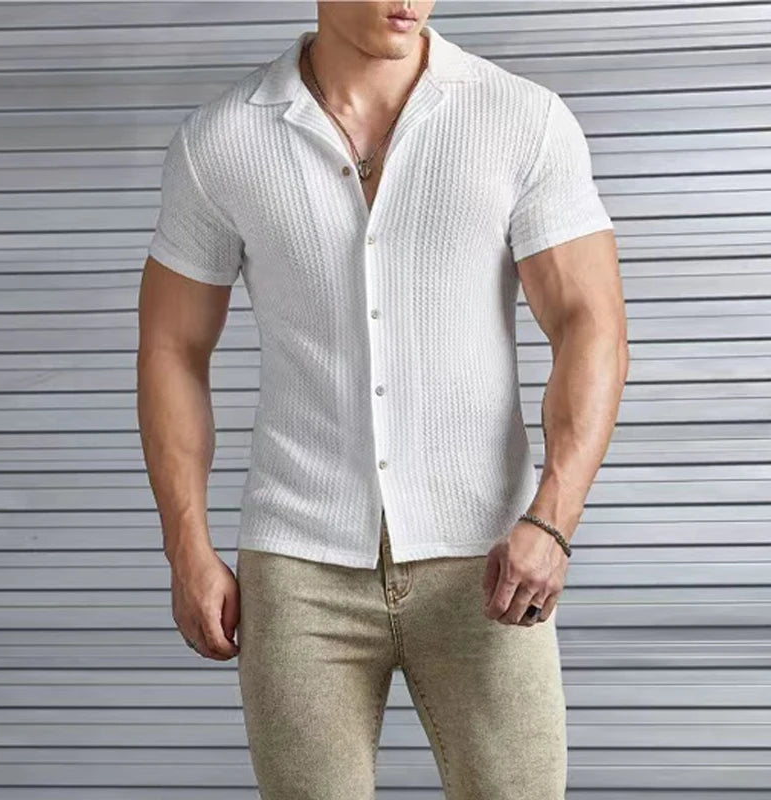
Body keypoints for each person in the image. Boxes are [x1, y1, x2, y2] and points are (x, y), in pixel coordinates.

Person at [137, 1, 628, 798]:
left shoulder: (521, 118)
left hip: (489, 560)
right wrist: (186, 549)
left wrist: (553, 518)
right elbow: (171, 350)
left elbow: (591, 325)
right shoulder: (221, 141)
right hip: (299, 570)